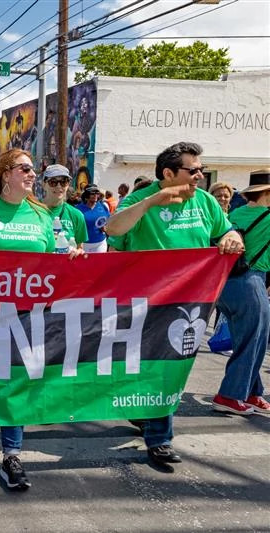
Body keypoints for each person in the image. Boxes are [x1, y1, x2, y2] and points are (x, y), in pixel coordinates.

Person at [0, 148, 83, 490]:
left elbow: (53, 258)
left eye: (32, 169)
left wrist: (73, 257)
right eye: (24, 168)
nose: (32, 174)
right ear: (5, 174)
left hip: (26, 315)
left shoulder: (39, 214)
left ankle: (12, 454)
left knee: (17, 382)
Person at [106, 141, 243, 466]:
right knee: (155, 367)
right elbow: (113, 229)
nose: (200, 176)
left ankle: (150, 419)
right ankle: (159, 438)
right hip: (145, 301)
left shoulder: (206, 202)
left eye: (201, 170)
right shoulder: (141, 200)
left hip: (190, 304)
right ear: (168, 173)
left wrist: (231, 237)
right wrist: (153, 201)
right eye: (192, 170)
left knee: (169, 368)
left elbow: (227, 231)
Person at [211, 170, 270, 415]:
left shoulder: (235, 214)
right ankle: (229, 395)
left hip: (225, 282)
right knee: (254, 341)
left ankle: (253, 392)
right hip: (250, 281)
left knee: (246, 340)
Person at [42, 164, 87, 249]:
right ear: (44, 184)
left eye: (63, 182)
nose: (59, 186)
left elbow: (79, 248)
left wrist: (78, 252)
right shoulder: (32, 211)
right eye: (53, 182)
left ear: (68, 185)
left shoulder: (76, 215)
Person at [77, 185, 110, 253]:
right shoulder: (77, 209)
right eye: (92, 193)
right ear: (86, 196)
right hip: (83, 244)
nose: (95, 195)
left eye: (97, 193)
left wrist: (106, 227)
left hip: (100, 243)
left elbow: (109, 220)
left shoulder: (103, 206)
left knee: (99, 263)